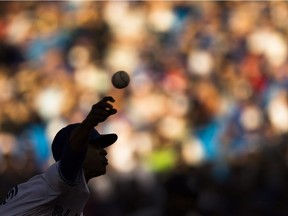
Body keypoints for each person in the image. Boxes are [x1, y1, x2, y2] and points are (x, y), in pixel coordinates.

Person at [0, 96, 118, 216]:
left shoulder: (73, 197)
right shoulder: (54, 181)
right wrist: (88, 124)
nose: (103, 151)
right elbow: (72, 155)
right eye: (96, 146)